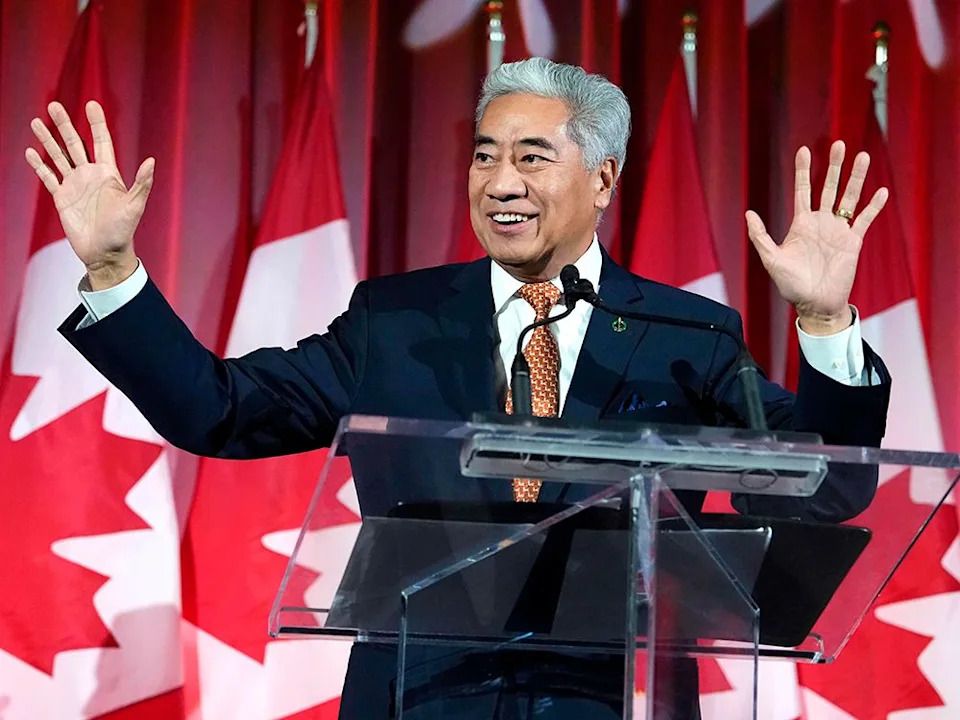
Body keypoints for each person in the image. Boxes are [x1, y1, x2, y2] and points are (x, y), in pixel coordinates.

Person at [27, 58, 890, 719]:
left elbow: (827, 489)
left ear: (602, 179)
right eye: (485, 156)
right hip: (417, 696)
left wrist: (825, 323)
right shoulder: (398, 321)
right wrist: (112, 270)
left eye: (531, 157)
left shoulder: (687, 335)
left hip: (608, 701)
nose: (500, 183)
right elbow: (218, 412)